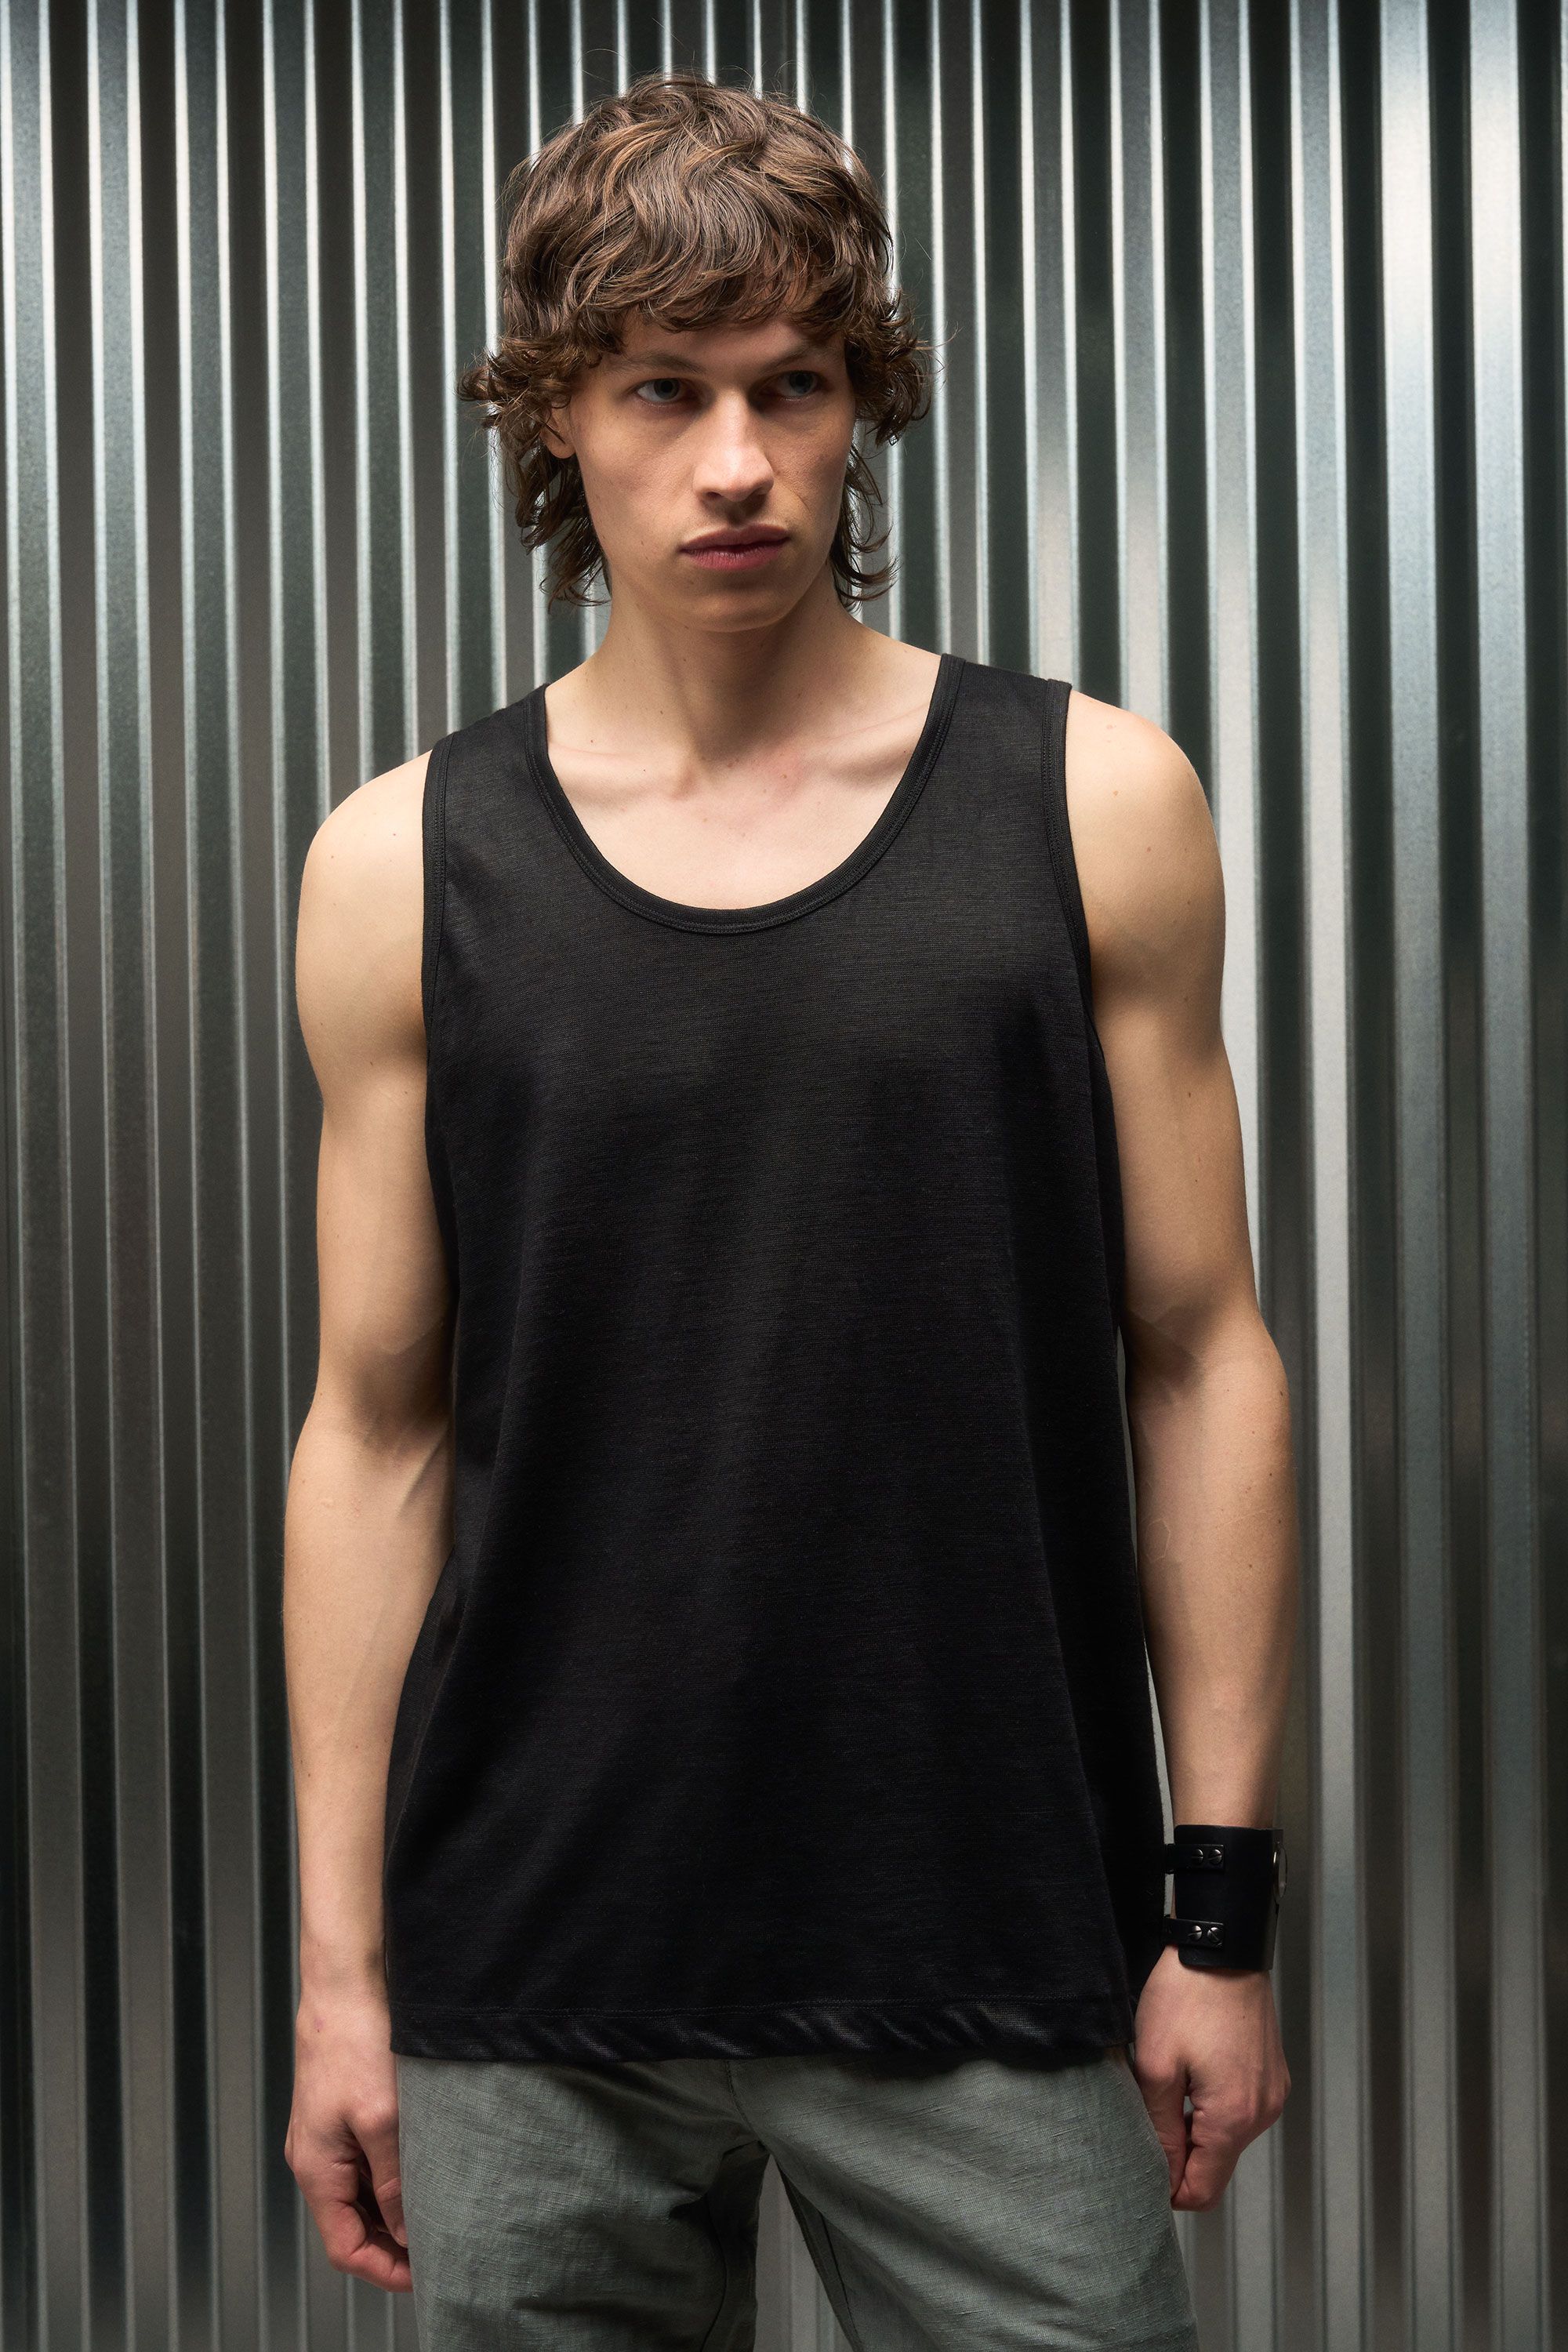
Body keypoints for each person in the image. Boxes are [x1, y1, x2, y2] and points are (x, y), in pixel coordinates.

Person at [283, 67, 1296, 2350]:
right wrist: (346, 1979)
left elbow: (1202, 1358)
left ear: (863, 407)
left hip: (986, 1941)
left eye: (793, 387)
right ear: (557, 418)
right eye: (664, 390)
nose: (736, 461)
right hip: (535, 1973)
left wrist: (1217, 1914)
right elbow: (375, 1430)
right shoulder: (399, 864)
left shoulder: (1091, 803)